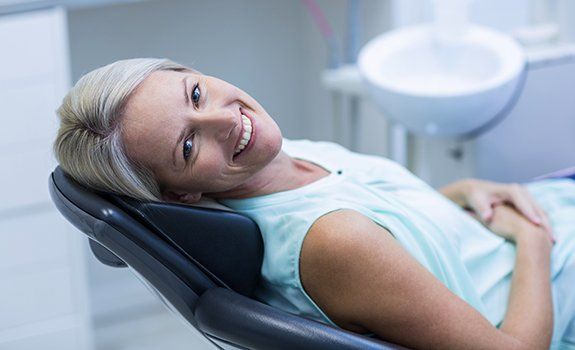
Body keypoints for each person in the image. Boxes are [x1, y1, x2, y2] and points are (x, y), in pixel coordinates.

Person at [54, 58, 575, 350]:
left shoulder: (277, 158)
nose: (225, 120)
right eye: (188, 147)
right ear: (179, 195)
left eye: (195, 94)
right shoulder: (331, 242)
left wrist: (462, 193)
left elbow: (396, 233)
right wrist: (531, 238)